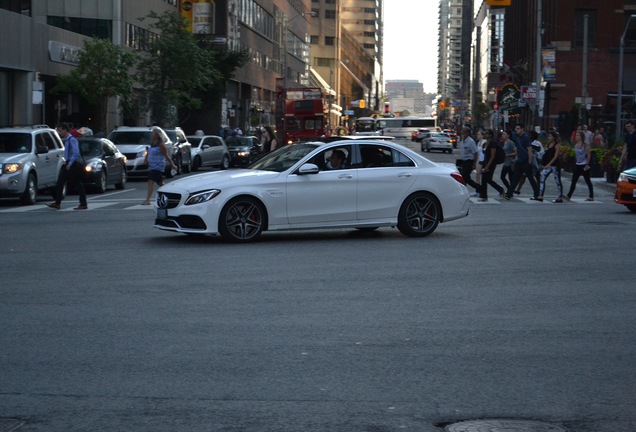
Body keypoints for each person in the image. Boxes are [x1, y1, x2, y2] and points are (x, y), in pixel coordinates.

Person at [47, 122, 88, 210]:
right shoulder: (67, 140)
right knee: (60, 182)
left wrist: (70, 163)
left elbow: (76, 153)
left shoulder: (72, 139)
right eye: (58, 131)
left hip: (72, 164)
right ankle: (57, 203)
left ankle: (83, 203)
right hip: (68, 163)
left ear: (65, 130)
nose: (59, 133)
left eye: (60, 131)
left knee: (77, 184)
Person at [504, 123, 540, 200]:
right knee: (515, 179)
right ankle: (508, 194)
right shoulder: (517, 138)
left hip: (526, 162)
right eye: (516, 129)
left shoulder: (526, 138)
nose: (516, 130)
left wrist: (529, 161)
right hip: (519, 161)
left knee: (531, 179)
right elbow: (518, 150)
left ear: (522, 129)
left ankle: (537, 194)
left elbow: (529, 150)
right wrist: (516, 159)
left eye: (518, 128)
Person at [141, 127, 177, 205]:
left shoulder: (160, 145)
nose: (152, 134)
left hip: (158, 166)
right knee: (160, 183)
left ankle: (148, 200)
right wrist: (146, 159)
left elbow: (166, 155)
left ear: (157, 134)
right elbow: (149, 152)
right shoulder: (152, 143)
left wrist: (172, 164)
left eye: (153, 133)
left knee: (150, 181)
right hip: (152, 166)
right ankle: (172, 192)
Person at [565, 130, 594, 201]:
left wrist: (587, 164)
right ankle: (569, 195)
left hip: (584, 164)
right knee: (574, 180)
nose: (576, 137)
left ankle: (591, 196)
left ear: (581, 137)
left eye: (578, 135)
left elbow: (589, 155)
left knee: (587, 180)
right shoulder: (575, 145)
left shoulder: (585, 145)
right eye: (576, 135)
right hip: (578, 164)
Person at [478, 129, 505, 202]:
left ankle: (484, 196)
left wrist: (487, 166)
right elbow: (484, 155)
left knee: (485, 180)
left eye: (487, 133)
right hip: (485, 163)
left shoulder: (493, 144)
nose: (485, 135)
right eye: (485, 133)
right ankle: (500, 189)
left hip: (491, 164)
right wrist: (482, 164)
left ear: (490, 135)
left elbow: (492, 156)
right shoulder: (485, 144)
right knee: (487, 180)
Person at [537, 130, 564, 203]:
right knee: (542, 177)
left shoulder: (557, 145)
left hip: (555, 165)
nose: (549, 137)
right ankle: (541, 195)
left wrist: (549, 164)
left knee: (557, 180)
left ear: (554, 137)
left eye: (550, 136)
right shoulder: (548, 144)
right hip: (548, 165)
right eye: (548, 136)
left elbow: (556, 156)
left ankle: (560, 196)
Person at [458, 126, 481, 197]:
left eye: (464, 132)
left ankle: (479, 189)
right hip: (464, 161)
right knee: (464, 177)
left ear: (468, 133)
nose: (463, 133)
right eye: (462, 131)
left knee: (466, 177)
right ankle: (463, 191)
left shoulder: (470, 141)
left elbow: (475, 153)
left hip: (469, 161)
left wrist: (474, 163)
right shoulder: (463, 141)